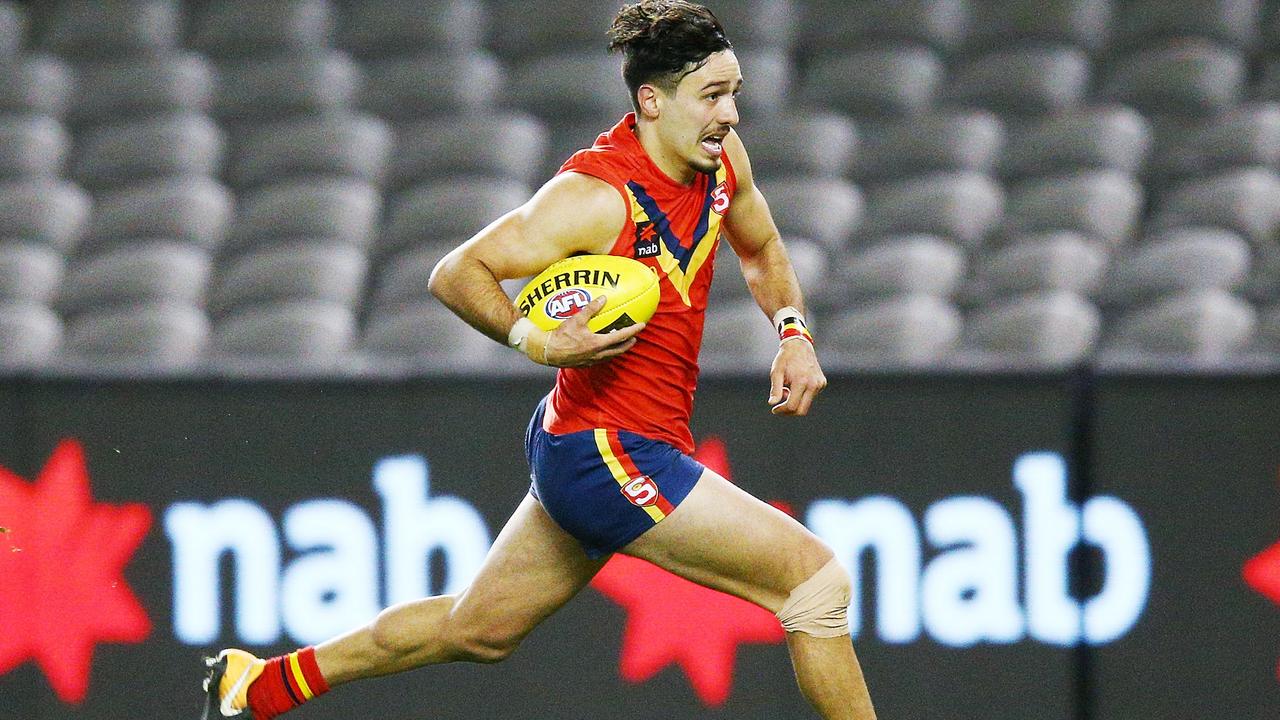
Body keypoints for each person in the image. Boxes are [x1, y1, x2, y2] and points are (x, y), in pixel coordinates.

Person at [201, 2, 876, 719]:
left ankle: (260, 685)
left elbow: (762, 246)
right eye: (712, 96)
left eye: (733, 91)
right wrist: (536, 338)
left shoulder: (719, 162)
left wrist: (794, 332)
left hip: (594, 443)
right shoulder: (592, 197)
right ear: (651, 100)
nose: (731, 114)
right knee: (814, 584)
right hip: (611, 452)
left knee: (478, 630)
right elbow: (458, 271)